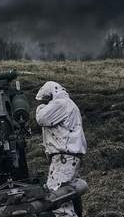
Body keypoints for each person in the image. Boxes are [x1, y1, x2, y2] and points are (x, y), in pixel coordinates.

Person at [35, 81, 87, 217]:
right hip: (68, 157)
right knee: (67, 194)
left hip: (64, 158)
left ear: (51, 95)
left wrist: (40, 107)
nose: (45, 103)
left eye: (46, 99)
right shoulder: (68, 104)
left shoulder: (61, 103)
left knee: (58, 198)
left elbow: (42, 118)